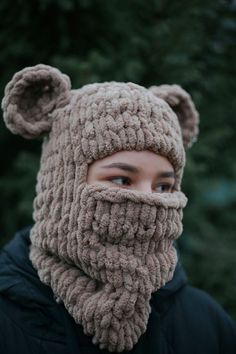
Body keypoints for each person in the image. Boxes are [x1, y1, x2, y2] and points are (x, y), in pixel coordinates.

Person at [0, 64, 235, 354]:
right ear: (63, 185)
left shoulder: (208, 324)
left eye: (163, 187)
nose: (149, 202)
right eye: (122, 180)